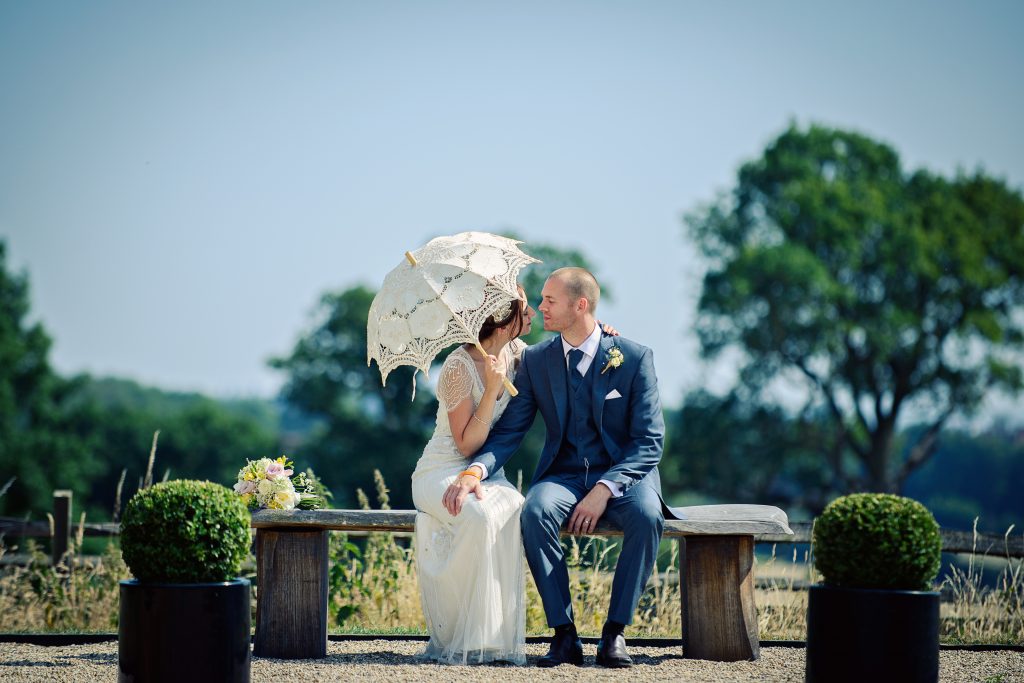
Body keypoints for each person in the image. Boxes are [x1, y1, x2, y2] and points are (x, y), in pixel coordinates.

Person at [445, 267, 679, 669]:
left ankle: (615, 633)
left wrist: (604, 489)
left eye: (550, 300)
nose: (540, 308)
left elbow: (649, 442)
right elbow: (509, 432)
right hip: (564, 475)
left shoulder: (634, 357)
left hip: (625, 476)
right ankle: (564, 635)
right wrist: (475, 471)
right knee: (534, 511)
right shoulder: (536, 360)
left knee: (646, 515)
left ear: (580, 305)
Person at [411, 288, 534, 665]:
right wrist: (492, 391)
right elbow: (465, 444)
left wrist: (606, 330)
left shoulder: (520, 355)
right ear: (501, 319)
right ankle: (457, 632)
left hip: (484, 471)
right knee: (479, 515)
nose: (531, 316)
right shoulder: (457, 367)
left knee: (513, 504)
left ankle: (493, 637)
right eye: (524, 310)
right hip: (441, 469)